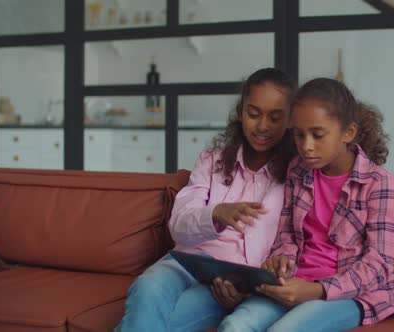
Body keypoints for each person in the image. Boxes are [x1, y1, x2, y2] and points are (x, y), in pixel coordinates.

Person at [115, 68, 296, 332]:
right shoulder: (213, 160)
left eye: (275, 117)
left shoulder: (294, 176)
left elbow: (292, 244)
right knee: (147, 284)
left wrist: (244, 290)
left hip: (229, 282)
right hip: (185, 263)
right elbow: (177, 225)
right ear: (240, 111)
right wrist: (215, 214)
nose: (262, 126)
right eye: (253, 114)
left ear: (290, 120)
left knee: (147, 324)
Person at [219, 77, 394, 332]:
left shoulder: (381, 184)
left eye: (318, 135)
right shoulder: (298, 171)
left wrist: (317, 290)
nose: (306, 146)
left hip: (352, 294)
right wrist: (281, 261)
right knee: (234, 325)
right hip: (295, 282)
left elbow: (378, 264)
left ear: (347, 133)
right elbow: (287, 236)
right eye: (299, 135)